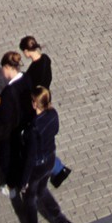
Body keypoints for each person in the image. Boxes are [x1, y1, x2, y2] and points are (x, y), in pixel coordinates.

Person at [17, 87, 74, 223]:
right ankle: (61, 221)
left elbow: (30, 157)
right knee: (42, 190)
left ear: (35, 104)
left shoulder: (33, 128)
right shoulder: (53, 114)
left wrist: (24, 181)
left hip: (37, 166)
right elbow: (55, 131)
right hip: (50, 159)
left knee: (29, 199)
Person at [19, 36, 71, 186]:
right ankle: (59, 169)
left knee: (37, 144)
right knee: (44, 143)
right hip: (44, 103)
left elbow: (34, 88)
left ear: (27, 51)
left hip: (37, 108)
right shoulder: (45, 60)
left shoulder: (37, 70)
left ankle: (57, 169)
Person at [0, 51, 31, 196]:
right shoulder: (26, 78)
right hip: (25, 124)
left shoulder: (8, 91)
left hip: (12, 131)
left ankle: (10, 185)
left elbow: (5, 117)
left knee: (7, 159)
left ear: (7, 67)